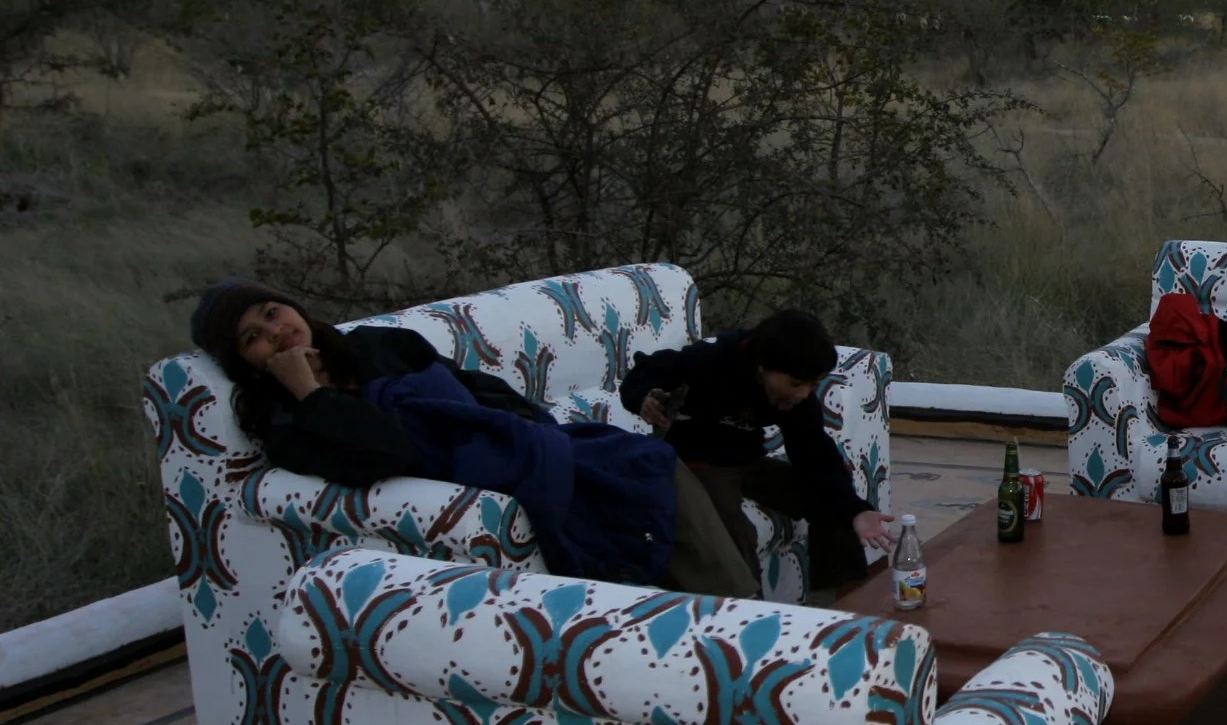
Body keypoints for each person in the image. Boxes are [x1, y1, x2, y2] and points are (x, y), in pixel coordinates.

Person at [192, 279, 761, 599]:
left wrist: (536, 434)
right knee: (635, 481)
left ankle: (739, 613)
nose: (276, 331)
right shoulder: (288, 426)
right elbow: (390, 451)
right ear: (247, 365)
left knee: (643, 460)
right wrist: (311, 395)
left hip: (521, 447)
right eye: (254, 337)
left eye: (274, 312)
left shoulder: (374, 346)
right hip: (480, 480)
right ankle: (732, 627)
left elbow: (477, 391)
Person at [619, 308, 893, 597]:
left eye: (812, 385)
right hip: (697, 461)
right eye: (795, 384)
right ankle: (750, 606)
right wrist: (644, 398)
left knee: (829, 500)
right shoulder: (709, 361)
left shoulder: (798, 401)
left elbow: (815, 453)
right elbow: (644, 372)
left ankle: (838, 601)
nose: (803, 393)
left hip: (747, 459)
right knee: (731, 527)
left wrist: (855, 508)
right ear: (763, 367)